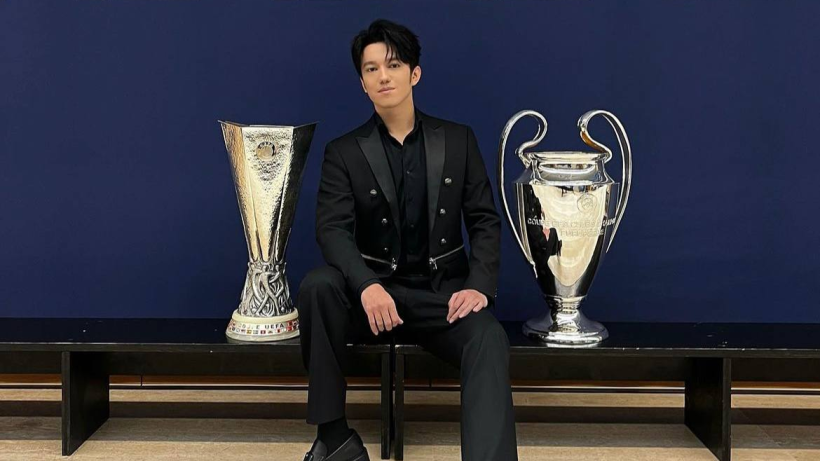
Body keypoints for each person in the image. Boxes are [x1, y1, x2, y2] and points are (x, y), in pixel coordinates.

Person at [298, 19, 518, 461]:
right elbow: (331, 230)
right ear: (362, 83)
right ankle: (334, 438)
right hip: (374, 299)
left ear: (414, 74)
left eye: (394, 65)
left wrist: (479, 286)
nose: (383, 76)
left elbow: (484, 221)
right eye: (371, 69)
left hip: (442, 298)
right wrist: (366, 285)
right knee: (318, 286)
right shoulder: (343, 151)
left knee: (489, 337)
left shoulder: (458, 139)